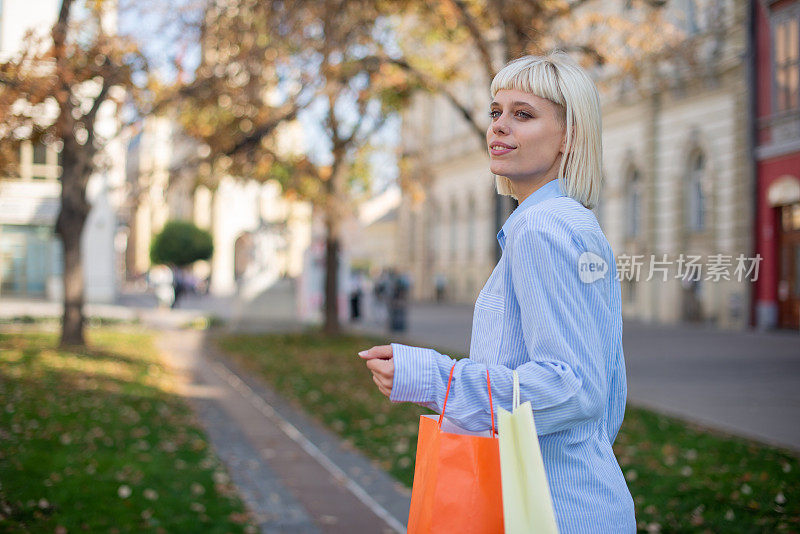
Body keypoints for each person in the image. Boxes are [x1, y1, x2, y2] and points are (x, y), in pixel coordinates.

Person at [358, 51, 635, 533]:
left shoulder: (542, 230)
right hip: (567, 497)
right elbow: (603, 389)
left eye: (523, 114)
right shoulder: (569, 223)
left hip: (551, 509)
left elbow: (574, 388)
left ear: (570, 135)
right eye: (495, 111)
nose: (499, 126)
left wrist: (435, 379)